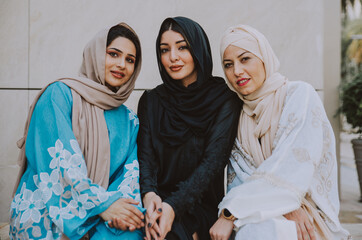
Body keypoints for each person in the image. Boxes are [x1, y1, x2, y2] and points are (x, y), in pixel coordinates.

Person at [209, 25, 351, 240]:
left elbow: (292, 167)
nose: (237, 71)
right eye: (228, 65)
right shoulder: (235, 115)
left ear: (264, 58)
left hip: (306, 213)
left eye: (245, 59)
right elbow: (241, 178)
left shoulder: (299, 95)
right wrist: (280, 204)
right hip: (256, 213)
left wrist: (229, 212)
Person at [9, 22, 146, 239]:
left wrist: (120, 209)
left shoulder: (129, 120)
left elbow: (128, 175)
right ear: (96, 54)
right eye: (113, 54)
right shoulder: (58, 95)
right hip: (47, 209)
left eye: (130, 60)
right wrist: (101, 204)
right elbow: (61, 164)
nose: (122, 64)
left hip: (106, 214)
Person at [137, 17, 241, 240]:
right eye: (165, 50)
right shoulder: (151, 100)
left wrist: (173, 206)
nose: (172, 57)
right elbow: (146, 158)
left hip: (199, 204)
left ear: (198, 48)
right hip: (156, 201)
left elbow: (212, 164)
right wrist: (149, 194)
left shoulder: (224, 100)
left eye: (182, 47)